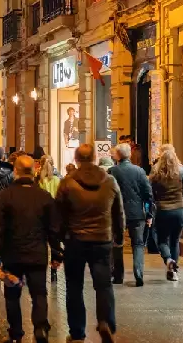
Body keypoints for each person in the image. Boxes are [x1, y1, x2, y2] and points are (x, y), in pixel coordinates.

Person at [0, 156, 63, 343]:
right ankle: (39, 328)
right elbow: (53, 229)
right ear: (33, 171)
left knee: (12, 295)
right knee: (39, 293)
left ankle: (16, 333)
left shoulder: (6, 196)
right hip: (37, 255)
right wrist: (56, 252)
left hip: (12, 255)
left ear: (16, 171)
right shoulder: (44, 197)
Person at [56, 143, 124, 343]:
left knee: (74, 286)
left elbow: (58, 215)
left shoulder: (67, 183)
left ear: (76, 160)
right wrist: (118, 236)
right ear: (95, 158)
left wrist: (58, 241)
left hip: (75, 241)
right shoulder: (110, 181)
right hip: (102, 240)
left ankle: (77, 332)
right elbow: (118, 212)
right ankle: (106, 322)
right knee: (103, 285)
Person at [108, 143, 154, 287]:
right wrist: (149, 214)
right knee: (138, 244)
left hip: (117, 214)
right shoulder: (139, 171)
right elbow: (148, 194)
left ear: (118, 155)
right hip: (136, 213)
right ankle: (138, 273)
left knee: (117, 244)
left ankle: (118, 275)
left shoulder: (112, 171)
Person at [149, 146, 183, 282]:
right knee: (175, 240)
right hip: (179, 210)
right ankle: (173, 272)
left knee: (162, 240)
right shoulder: (182, 171)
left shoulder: (155, 173)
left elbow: (151, 192)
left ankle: (168, 260)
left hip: (163, 210)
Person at [37, 155, 62, 283]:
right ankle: (53, 272)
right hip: (55, 215)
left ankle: (41, 270)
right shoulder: (58, 180)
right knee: (54, 243)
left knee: (41, 243)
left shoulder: (39, 181)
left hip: (41, 215)